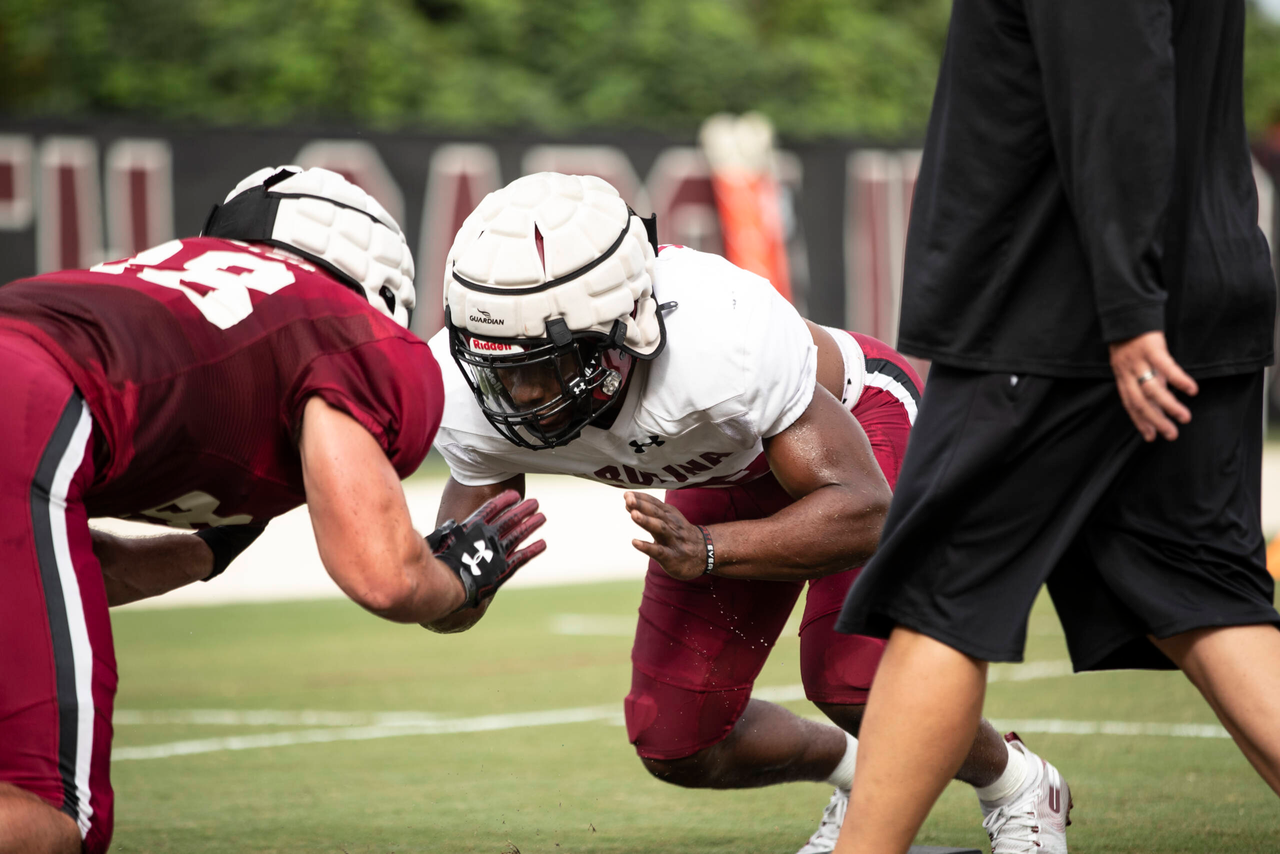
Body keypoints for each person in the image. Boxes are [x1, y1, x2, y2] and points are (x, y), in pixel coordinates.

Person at [424, 170, 1065, 854]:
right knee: (677, 738)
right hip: (721, 469)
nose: (519, 396)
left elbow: (863, 508)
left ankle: (1019, 785)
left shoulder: (718, 336)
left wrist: (709, 550)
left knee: (850, 680)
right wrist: (446, 587)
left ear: (622, 330)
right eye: (500, 370)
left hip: (852, 438)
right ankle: (859, 780)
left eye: (544, 367)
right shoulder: (465, 396)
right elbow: (450, 600)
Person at [832, 2, 1280, 853]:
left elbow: (1116, 76)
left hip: (1061, 307)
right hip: (1183, 282)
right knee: (1206, 596)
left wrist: (1126, 306)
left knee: (943, 597)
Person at [0, 165, 546, 854]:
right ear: (378, 289)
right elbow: (384, 575)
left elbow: (46, 574)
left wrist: (210, 550)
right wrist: (459, 575)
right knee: (50, 817)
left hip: (23, 394)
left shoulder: (156, 289)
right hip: (26, 406)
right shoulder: (350, 332)